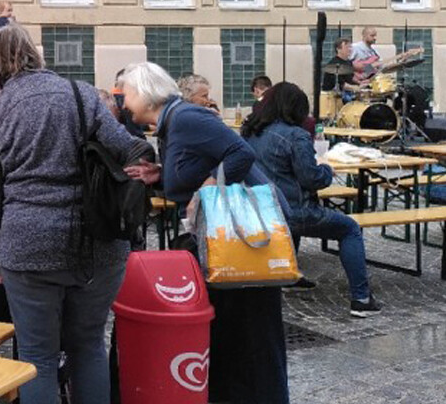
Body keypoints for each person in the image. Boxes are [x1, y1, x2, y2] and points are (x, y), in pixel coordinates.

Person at [0, 25, 145, 404]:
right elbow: (130, 150)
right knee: (88, 345)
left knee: (38, 356)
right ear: (36, 53)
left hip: (27, 248)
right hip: (98, 245)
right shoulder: (81, 95)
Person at [119, 61, 289, 404]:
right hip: (222, 239)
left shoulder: (185, 118)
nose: (124, 104)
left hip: (241, 237)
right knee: (234, 328)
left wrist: (210, 185)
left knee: (250, 329)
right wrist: (162, 174)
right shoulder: (172, 124)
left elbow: (241, 153)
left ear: (145, 93)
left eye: (128, 95)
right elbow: (192, 168)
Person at [242, 82, 380, 317]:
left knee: (290, 225)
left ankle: (289, 276)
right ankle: (361, 298)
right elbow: (311, 178)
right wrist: (326, 169)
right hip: (295, 211)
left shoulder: (250, 132)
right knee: (350, 229)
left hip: (262, 209)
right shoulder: (295, 135)